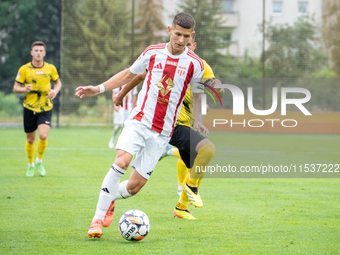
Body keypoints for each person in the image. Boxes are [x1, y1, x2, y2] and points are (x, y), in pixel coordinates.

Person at [75, 13, 204, 238]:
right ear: (169, 30)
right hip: (139, 122)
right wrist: (99, 88)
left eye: (185, 36)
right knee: (121, 161)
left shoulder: (195, 64)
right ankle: (96, 220)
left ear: (191, 36)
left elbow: (199, 94)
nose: (180, 40)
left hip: (163, 133)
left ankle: (112, 197)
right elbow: (129, 74)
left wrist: (199, 120)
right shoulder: (152, 53)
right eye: (177, 34)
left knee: (134, 187)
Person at [115, 34, 222, 220]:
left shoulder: (199, 65)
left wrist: (215, 86)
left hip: (186, 124)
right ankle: (189, 188)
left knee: (194, 163)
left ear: (193, 44)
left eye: (188, 44)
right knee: (205, 149)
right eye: (180, 41)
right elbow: (140, 75)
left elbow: (212, 85)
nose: (183, 46)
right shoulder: (164, 58)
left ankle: (181, 206)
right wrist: (121, 94)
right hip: (167, 123)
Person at [13, 41, 62, 177]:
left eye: (41, 50)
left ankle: (39, 161)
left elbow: (58, 82)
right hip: (29, 107)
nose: (39, 53)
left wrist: (55, 91)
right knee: (30, 140)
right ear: (32, 52)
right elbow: (15, 88)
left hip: (45, 107)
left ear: (44, 53)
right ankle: (30, 165)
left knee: (43, 135)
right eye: (36, 50)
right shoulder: (24, 69)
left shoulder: (50, 68)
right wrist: (24, 89)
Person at [108, 67, 138, 149]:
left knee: (128, 126)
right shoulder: (119, 82)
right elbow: (114, 93)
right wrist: (115, 105)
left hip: (129, 108)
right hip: (120, 107)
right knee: (119, 125)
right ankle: (113, 137)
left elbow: (134, 96)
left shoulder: (134, 82)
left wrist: (134, 107)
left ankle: (123, 144)